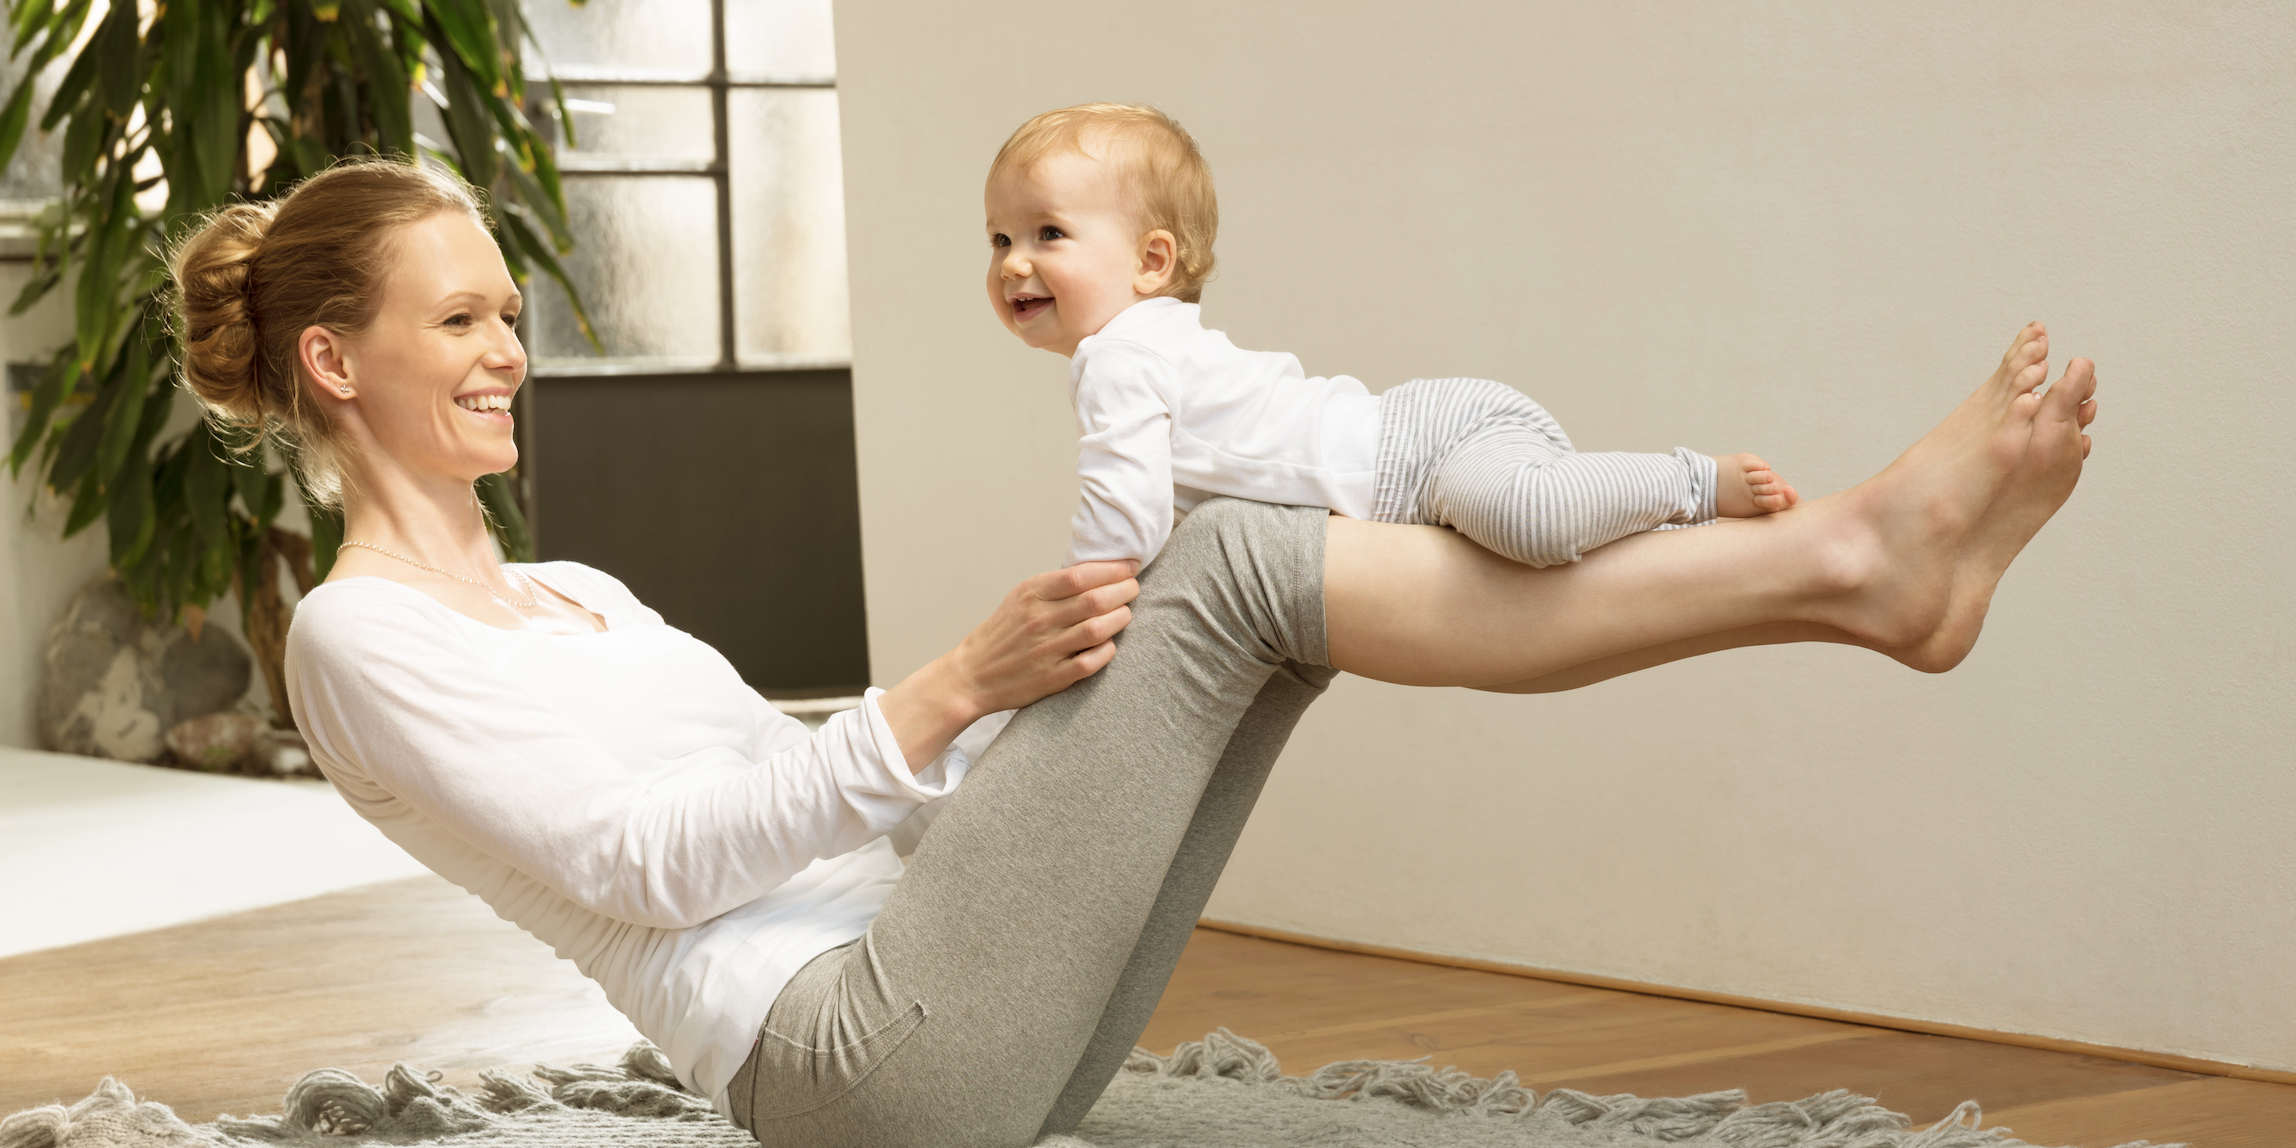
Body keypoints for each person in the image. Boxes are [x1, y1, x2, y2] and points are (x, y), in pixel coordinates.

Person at [170, 156, 2094, 1148]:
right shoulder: (356, 638)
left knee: (1248, 579)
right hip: (856, 1074)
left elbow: (794, 789)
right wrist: (958, 687)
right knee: (1245, 549)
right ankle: (1847, 564)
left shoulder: (577, 588)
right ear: (336, 362)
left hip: (964, 1008)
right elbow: (643, 868)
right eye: (461, 318)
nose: (511, 346)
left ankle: (1851, 573)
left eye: (511, 309)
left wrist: (1005, 730)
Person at [985, 103, 1804, 571]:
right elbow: (1174, 502)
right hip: (1425, 443)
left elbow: (1123, 523)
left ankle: (1693, 483)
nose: (1015, 263)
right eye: (999, 240)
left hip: (1423, 452)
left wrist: (1078, 594)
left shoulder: (1117, 358)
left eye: (1048, 233)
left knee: (1531, 524)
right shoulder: (1155, 345)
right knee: (1535, 557)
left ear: (1151, 261)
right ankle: (1656, 512)